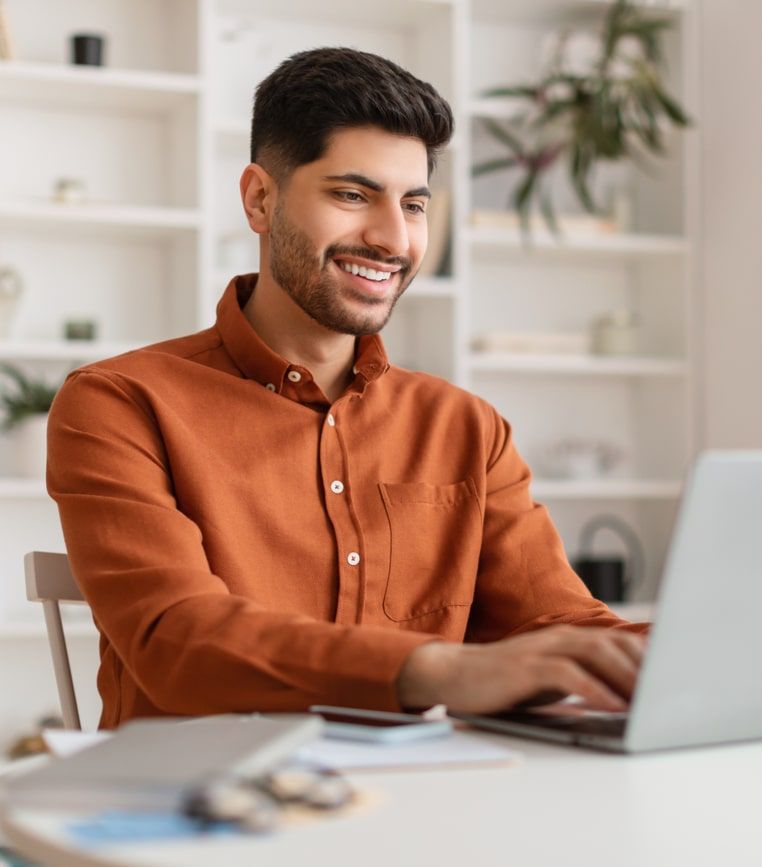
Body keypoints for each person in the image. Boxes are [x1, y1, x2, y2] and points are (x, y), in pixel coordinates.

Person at [47, 47, 647, 729]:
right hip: (195, 816)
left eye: (414, 204)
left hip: (420, 802)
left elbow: (559, 623)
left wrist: (709, 656)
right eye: (353, 195)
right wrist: (439, 669)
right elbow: (179, 640)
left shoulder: (468, 429)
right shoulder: (120, 403)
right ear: (259, 198)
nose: (394, 238)